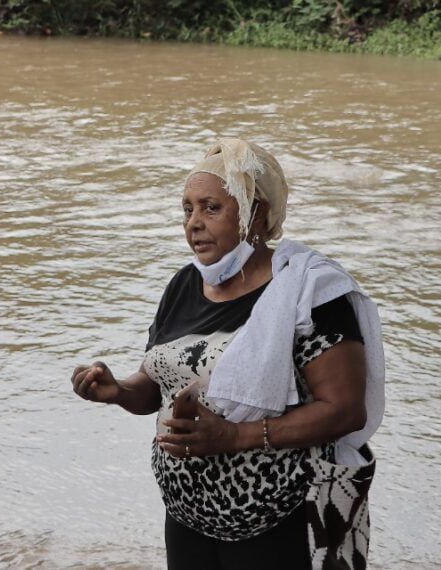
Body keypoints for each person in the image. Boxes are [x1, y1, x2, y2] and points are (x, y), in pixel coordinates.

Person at [70, 139, 384, 569]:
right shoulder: (184, 285)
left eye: (211, 208)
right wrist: (118, 390)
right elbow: (158, 389)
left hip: (278, 520)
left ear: (255, 212)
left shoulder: (309, 293)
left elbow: (346, 411)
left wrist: (235, 437)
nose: (193, 224)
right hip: (187, 520)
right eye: (187, 209)